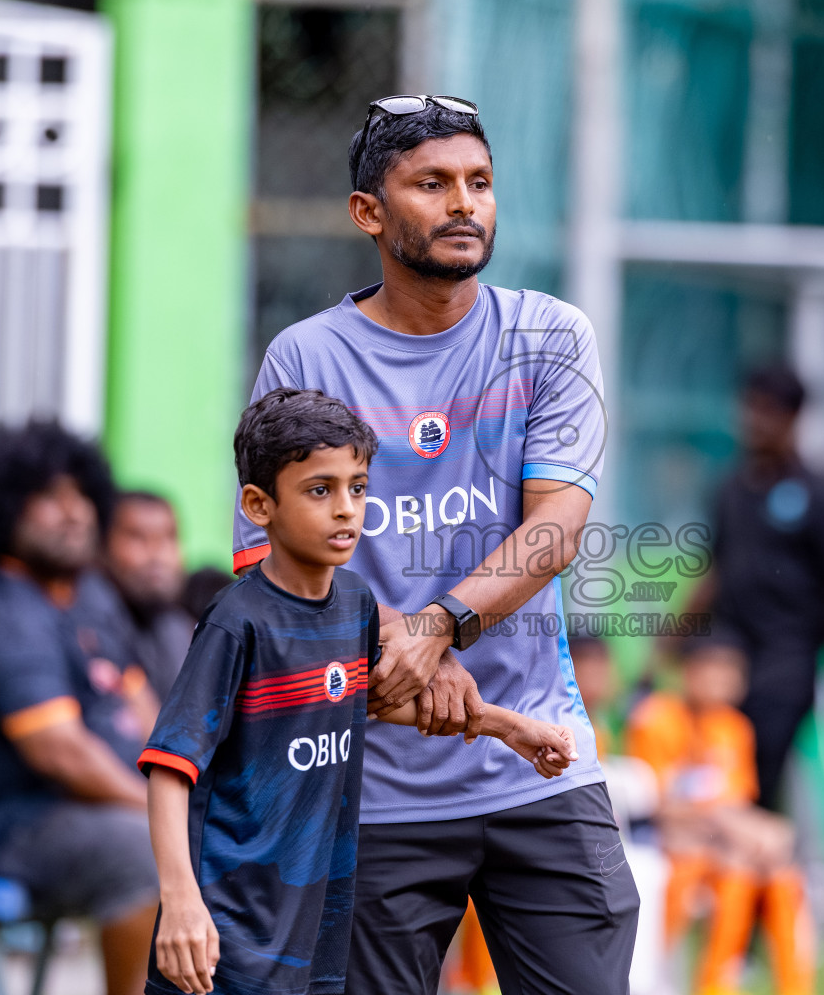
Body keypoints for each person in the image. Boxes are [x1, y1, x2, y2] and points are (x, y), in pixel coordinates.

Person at [232, 95, 638, 993]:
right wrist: (403, 643)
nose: (465, 203)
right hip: (366, 791)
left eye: (480, 182)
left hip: (541, 768)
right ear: (368, 213)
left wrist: (442, 624)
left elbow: (556, 527)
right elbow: (272, 566)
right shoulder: (305, 360)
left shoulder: (549, 337)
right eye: (433, 184)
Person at [143, 388, 575, 995]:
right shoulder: (236, 622)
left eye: (358, 487)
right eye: (320, 491)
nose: (347, 509)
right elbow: (170, 768)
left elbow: (363, 697)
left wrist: (509, 728)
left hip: (312, 921)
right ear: (259, 505)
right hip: (226, 923)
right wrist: (181, 902)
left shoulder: (356, 605)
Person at [0, 421, 160, 995]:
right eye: (48, 498)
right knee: (146, 851)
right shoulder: (2, 609)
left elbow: (144, 709)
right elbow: (59, 752)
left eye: (80, 495)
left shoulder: (91, 593)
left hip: (96, 810)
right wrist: (157, 809)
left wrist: (188, 789)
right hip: (10, 829)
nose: (73, 512)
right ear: (1, 511)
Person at [688, 364, 824, 809]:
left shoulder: (823, 489)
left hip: (788, 659)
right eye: (749, 408)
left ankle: (768, 868)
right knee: (718, 773)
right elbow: (715, 571)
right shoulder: (730, 487)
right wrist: (667, 647)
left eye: (767, 410)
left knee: (762, 775)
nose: (754, 420)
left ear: (793, 417)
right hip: (728, 654)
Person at [626, 641, 814, 995]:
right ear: (687, 671)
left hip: (718, 843)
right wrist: (730, 824)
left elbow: (737, 800)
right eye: (711, 667)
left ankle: (790, 987)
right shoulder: (656, 717)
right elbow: (656, 803)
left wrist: (762, 830)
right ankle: (686, 981)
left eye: (730, 670)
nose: (720, 680)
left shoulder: (734, 727)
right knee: (727, 863)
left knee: (778, 873)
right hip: (665, 842)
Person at [99, 490, 197, 699]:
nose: (157, 554)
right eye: (137, 537)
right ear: (103, 545)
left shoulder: (179, 629)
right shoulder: (89, 622)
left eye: (169, 537)